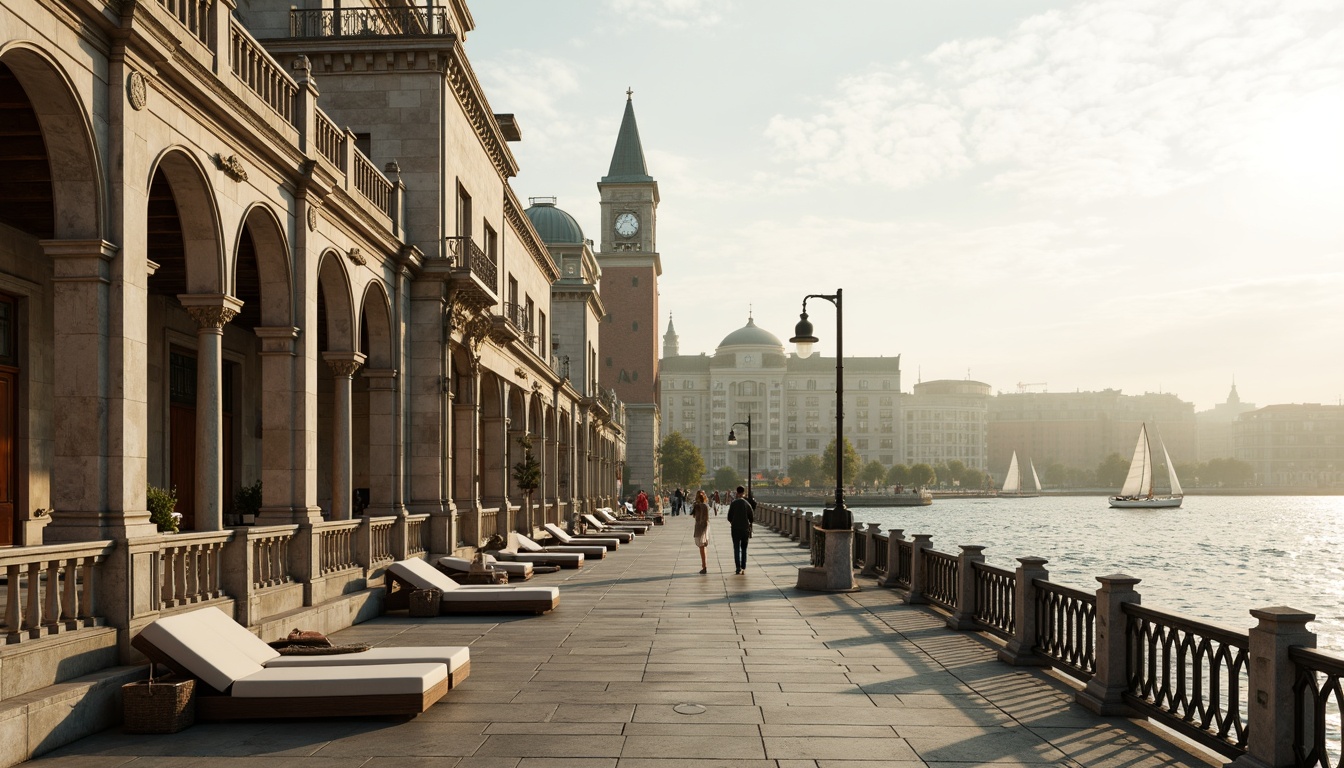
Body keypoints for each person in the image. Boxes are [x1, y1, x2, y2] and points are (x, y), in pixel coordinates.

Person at [726, 485, 754, 575]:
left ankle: (737, 567)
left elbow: (729, 517)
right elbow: (751, 517)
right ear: (743, 492)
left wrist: (733, 522)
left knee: (736, 548)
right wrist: (748, 522)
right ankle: (743, 566)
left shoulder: (734, 503)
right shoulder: (746, 504)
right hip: (745, 529)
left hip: (735, 529)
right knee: (744, 548)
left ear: (736, 492)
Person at [691, 490, 711, 574]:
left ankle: (704, 566)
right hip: (704, 526)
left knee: (701, 547)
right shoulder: (705, 506)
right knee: (703, 546)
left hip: (700, 526)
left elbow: (695, 516)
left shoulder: (698, 506)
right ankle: (704, 565)